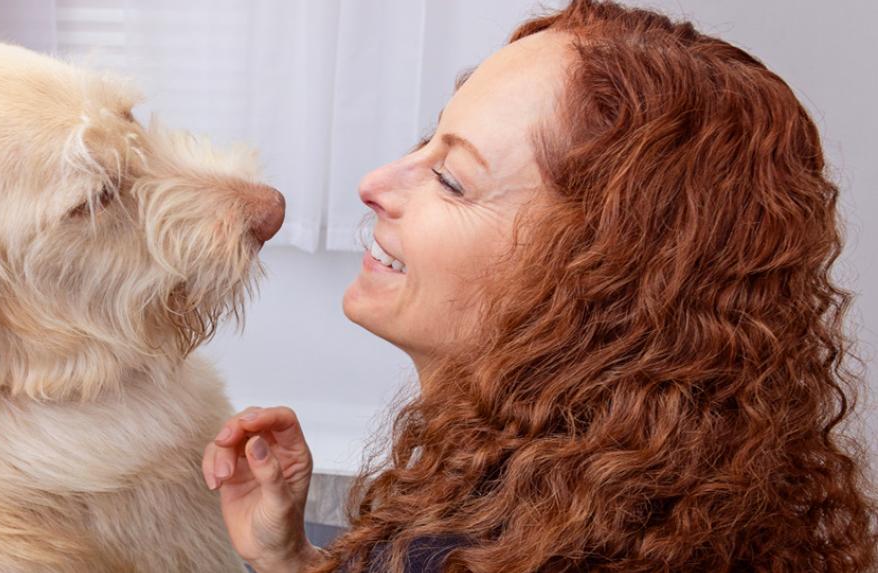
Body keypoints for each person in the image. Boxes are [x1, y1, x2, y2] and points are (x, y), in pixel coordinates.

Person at [201, 0, 878, 571]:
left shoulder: (465, 549)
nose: (375, 183)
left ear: (596, 280)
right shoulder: (652, 504)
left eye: (452, 180)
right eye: (427, 139)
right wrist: (291, 555)